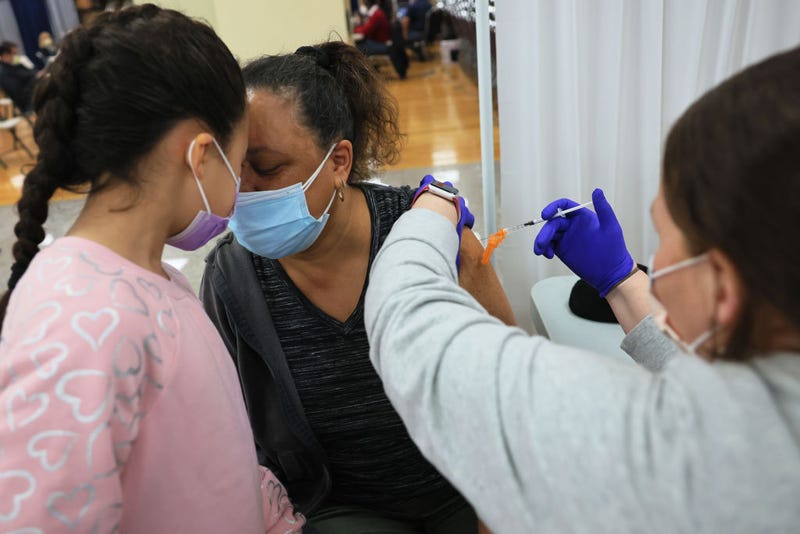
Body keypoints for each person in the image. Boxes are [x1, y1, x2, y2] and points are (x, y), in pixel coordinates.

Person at [364, 45, 800, 533]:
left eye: (664, 238)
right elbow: (693, 367)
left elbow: (411, 331)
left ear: (723, 290)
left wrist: (432, 210)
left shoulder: (672, 452)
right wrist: (622, 282)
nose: (655, 264)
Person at [0, 5, 304, 532]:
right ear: (203, 153)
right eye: (242, 160)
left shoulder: (156, 278)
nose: (244, 186)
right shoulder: (80, 320)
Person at [200, 41, 514, 533]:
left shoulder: (425, 232)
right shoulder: (233, 280)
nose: (245, 191)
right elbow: (231, 436)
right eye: (233, 167)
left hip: (462, 486)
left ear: (339, 161)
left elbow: (506, 379)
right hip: (338, 508)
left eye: (266, 168)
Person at [0, 41, 42, 112]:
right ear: (5, 55)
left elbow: (33, 72)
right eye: (14, 54)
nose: (17, 56)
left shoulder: (17, 65)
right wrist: (36, 78)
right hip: (30, 103)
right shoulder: (4, 74)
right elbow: (20, 95)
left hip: (38, 93)